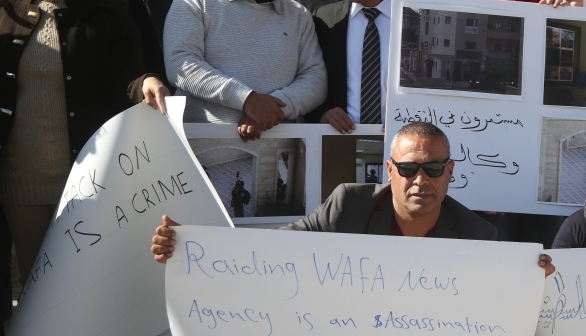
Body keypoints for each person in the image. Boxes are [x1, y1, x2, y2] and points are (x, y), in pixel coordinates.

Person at [0, 0, 168, 336]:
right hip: (18, 186)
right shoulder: (4, 9)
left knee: (77, 302)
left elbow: (129, 75)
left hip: (82, 188)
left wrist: (146, 84)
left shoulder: (106, 13)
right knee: (26, 304)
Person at [150, 121, 555, 261]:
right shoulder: (349, 206)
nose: (421, 180)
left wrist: (532, 275)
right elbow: (274, 249)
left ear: (450, 173)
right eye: (409, 169)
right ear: (390, 171)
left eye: (433, 169)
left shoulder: (476, 235)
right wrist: (194, 244)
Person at [164, 0, 327, 141]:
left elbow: (316, 79)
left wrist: (273, 109)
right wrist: (246, 99)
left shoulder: (298, 15)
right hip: (201, 156)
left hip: (277, 160)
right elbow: (180, 63)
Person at [309, 0, 393, 133]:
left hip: (403, 147)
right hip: (341, 144)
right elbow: (307, 80)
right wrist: (322, 112)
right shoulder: (325, 21)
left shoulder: (414, 18)